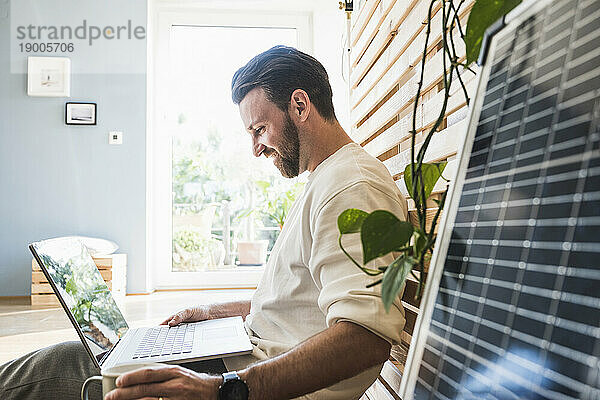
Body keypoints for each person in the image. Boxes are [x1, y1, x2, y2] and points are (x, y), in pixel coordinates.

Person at [0, 45, 407, 400]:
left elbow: (364, 337)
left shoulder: (351, 188)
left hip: (252, 383)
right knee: (96, 355)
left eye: (259, 129)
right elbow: (300, 308)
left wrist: (225, 390)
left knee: (66, 364)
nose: (255, 149)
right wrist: (213, 311)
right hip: (246, 361)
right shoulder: (330, 179)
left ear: (300, 106)